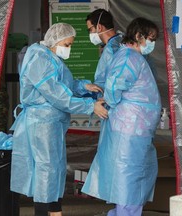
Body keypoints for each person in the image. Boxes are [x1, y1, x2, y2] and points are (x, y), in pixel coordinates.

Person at [10, 23, 108, 216]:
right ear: (55, 40)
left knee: (55, 168)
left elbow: (65, 84)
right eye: (67, 44)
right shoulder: (39, 58)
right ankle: (43, 212)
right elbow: (58, 95)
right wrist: (90, 106)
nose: (68, 48)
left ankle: (55, 211)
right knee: (46, 169)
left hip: (51, 123)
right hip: (42, 123)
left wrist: (84, 87)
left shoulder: (51, 58)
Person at [82, 17, 162, 216]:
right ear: (138, 36)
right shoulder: (128, 58)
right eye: (150, 39)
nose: (152, 43)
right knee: (128, 184)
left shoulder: (134, 57)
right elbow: (113, 90)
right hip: (129, 130)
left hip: (134, 129)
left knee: (132, 182)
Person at [86, 8, 123, 91]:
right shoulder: (125, 41)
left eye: (90, 30)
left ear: (99, 27)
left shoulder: (111, 50)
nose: (90, 34)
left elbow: (107, 83)